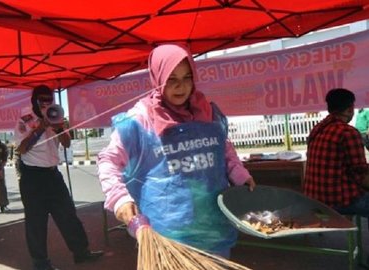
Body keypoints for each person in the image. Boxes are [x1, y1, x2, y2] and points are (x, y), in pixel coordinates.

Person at [97, 44, 255, 258]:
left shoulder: (206, 111)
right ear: (157, 77)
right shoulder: (140, 119)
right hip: (166, 240)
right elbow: (108, 161)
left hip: (213, 232)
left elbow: (223, 149)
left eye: (187, 77)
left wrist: (240, 175)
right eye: (171, 79)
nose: (181, 87)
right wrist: (120, 199)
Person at [14, 85, 103, 270]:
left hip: (52, 175)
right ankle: (41, 263)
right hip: (32, 177)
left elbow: (67, 143)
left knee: (68, 214)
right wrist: (41, 128)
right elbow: (22, 149)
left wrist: (58, 127)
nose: (46, 103)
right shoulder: (25, 118)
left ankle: (81, 252)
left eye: (49, 99)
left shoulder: (56, 115)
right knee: (36, 222)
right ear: (34, 101)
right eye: (42, 100)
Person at [304, 88, 369, 217]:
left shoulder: (317, 129)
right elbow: (360, 173)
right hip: (338, 201)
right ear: (350, 109)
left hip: (313, 199)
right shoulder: (348, 132)